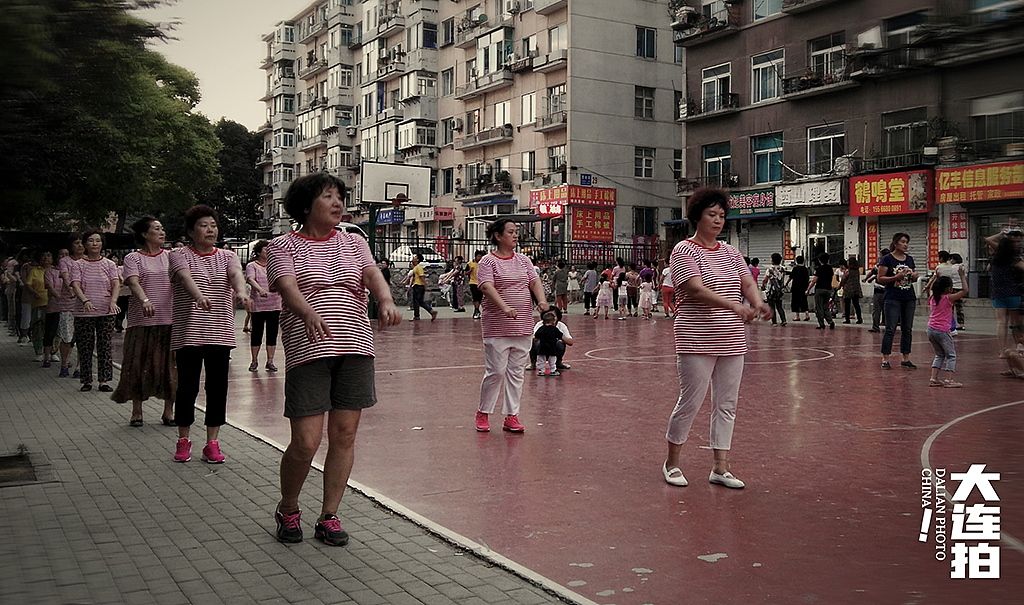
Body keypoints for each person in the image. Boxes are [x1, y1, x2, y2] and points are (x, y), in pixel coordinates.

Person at [267, 172, 401, 547]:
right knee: (306, 442)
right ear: (306, 206)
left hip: (355, 346)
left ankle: (329, 515)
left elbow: (372, 274)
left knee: (343, 435)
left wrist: (386, 299)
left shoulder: (354, 242)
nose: (338, 203)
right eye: (329, 196)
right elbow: (287, 287)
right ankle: (288, 508)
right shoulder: (283, 246)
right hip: (308, 349)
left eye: (341, 196)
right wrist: (308, 312)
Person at [662, 187, 770, 490]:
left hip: (732, 338)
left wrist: (757, 302)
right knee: (691, 401)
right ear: (697, 216)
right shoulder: (684, 250)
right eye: (712, 214)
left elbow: (747, 282)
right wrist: (734, 305)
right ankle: (672, 463)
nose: (718, 220)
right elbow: (694, 288)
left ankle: (721, 468)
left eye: (722, 215)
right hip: (696, 336)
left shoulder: (731, 251)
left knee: (727, 403)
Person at [169, 205, 253, 463]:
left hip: (220, 333)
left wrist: (240, 291)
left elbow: (236, 274)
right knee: (187, 387)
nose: (210, 230)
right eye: (204, 225)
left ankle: (212, 442)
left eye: (213, 225)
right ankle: (183, 439)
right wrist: (199, 296)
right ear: (192, 231)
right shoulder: (178, 255)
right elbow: (184, 277)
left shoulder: (227, 256)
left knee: (218, 389)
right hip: (188, 334)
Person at [474, 218, 549, 434]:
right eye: (510, 232)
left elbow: (534, 282)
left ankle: (511, 415)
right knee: (496, 371)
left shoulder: (524, 260)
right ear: (498, 236)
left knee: (516, 373)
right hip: (497, 328)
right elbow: (486, 287)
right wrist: (504, 307)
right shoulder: (488, 262)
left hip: (523, 326)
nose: (515, 236)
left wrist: (541, 301)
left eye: (516, 232)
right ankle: (483, 412)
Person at [111, 217, 176, 427]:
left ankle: (169, 412)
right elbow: (133, 281)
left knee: (170, 366)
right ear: (144, 234)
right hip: (142, 320)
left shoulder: (171, 257)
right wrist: (145, 300)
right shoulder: (133, 258)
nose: (161, 232)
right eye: (156, 229)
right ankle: (137, 411)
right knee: (139, 364)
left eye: (162, 228)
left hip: (169, 318)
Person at [70, 230, 121, 392]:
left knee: (105, 345)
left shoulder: (109, 264)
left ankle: (104, 380)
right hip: (84, 311)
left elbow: (116, 284)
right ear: (85, 244)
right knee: (85, 345)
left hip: (106, 310)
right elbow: (76, 285)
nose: (94, 244)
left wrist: (113, 301)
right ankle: (86, 379)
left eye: (98, 241)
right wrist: (84, 300)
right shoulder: (78, 265)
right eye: (91, 241)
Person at [878, 232, 920, 370]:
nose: (905, 245)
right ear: (895, 243)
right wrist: (896, 277)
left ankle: (906, 358)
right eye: (902, 242)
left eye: (907, 242)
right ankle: (885, 359)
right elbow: (880, 278)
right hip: (893, 297)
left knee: (907, 329)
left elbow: (912, 277)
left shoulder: (909, 259)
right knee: (890, 328)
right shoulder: (887, 259)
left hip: (908, 297)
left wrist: (914, 276)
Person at [246, 240, 283, 372]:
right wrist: (260, 289)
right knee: (257, 332)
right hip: (258, 305)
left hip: (275, 304)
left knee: (272, 333)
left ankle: (270, 361)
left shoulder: (275, 265)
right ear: (258, 252)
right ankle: (254, 360)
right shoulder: (252, 266)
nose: (268, 252)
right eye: (266, 250)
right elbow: (250, 279)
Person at [926, 276, 969, 388]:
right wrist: (962, 276)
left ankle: (933, 378)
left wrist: (934, 277)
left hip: (930, 329)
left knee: (939, 354)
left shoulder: (933, 297)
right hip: (943, 330)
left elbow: (930, 288)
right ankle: (948, 380)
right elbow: (965, 291)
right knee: (951, 355)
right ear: (948, 288)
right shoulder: (948, 298)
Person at [987, 234, 1024, 357]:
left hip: (998, 294)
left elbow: (988, 240)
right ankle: (1019, 346)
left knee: (1001, 322)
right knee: (1015, 323)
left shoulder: (994, 261)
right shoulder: (1013, 259)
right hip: (1013, 293)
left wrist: (1001, 234)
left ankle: (1002, 351)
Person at [57, 234, 85, 377]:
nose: (80, 245)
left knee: (83, 337)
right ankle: (64, 364)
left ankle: (80, 367)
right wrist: (71, 290)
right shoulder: (65, 261)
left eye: (82, 243)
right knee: (67, 337)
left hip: (86, 305)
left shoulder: (88, 261)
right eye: (76, 243)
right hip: (68, 304)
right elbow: (66, 276)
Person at [528, 306, 573, 371]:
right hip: (542, 349)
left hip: (553, 350)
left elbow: (570, 342)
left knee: (560, 343)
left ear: (557, 317)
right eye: (548, 316)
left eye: (553, 316)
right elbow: (534, 338)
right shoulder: (540, 325)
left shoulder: (560, 326)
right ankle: (533, 363)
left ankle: (558, 363)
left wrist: (559, 337)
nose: (551, 318)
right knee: (534, 343)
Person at [25, 249, 51, 362]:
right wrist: (34, 292)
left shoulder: (55, 271)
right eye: (43, 256)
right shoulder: (34, 271)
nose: (46, 258)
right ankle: (39, 351)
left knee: (52, 329)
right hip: (39, 303)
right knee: (38, 327)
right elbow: (28, 284)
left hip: (53, 304)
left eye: (48, 256)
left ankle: (51, 352)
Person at [42, 250, 64, 368]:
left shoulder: (71, 270)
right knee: (50, 331)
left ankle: (59, 354)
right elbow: (49, 286)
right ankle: (46, 357)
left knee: (64, 333)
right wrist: (58, 296)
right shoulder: (50, 271)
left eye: (66, 254)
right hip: (54, 306)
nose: (64, 257)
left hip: (68, 307)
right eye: (61, 254)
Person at [402, 254, 437, 321]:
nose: (413, 258)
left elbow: (422, 277)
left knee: (416, 301)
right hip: (417, 285)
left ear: (417, 260)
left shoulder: (418, 268)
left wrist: (425, 286)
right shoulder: (415, 268)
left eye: (415, 257)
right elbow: (414, 278)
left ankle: (416, 316)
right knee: (420, 301)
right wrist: (411, 286)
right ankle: (431, 311)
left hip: (418, 286)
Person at [806, 253, 835, 330]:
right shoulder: (830, 268)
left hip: (820, 289)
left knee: (819, 307)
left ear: (819, 260)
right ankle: (830, 321)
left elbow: (814, 281)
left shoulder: (819, 269)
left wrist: (808, 289)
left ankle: (821, 324)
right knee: (826, 307)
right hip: (828, 289)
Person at [863, 248, 889, 333]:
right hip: (888, 290)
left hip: (879, 290)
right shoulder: (891, 265)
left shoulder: (880, 265)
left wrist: (866, 278)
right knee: (887, 310)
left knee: (877, 310)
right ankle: (888, 327)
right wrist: (870, 278)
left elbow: (873, 272)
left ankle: (875, 327)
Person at [533, 311, 564, 376]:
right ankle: (553, 370)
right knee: (552, 361)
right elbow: (560, 336)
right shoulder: (555, 329)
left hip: (542, 347)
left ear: (543, 321)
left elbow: (536, 336)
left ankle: (541, 371)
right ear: (553, 321)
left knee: (541, 360)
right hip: (552, 348)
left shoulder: (541, 328)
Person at [761, 253, 787, 326]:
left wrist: (763, 285)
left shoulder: (770, 269)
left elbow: (765, 279)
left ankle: (774, 322)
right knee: (779, 306)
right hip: (780, 290)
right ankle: (783, 320)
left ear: (772, 260)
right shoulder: (782, 269)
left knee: (772, 307)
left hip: (771, 290)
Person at [786, 256, 810, 321]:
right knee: (804, 300)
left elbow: (790, 277)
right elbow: (807, 278)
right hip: (804, 287)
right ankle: (807, 314)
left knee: (795, 301)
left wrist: (786, 283)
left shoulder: (795, 269)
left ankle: (797, 316)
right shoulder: (805, 269)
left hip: (796, 287)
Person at [840, 257, 863, 324]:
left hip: (848, 289)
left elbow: (843, 279)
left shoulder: (849, 272)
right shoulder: (857, 271)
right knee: (856, 304)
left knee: (847, 305)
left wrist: (839, 286)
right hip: (856, 289)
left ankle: (847, 319)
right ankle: (859, 318)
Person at [468, 250, 484, 319]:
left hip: (481, 283)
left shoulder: (483, 264)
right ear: (475, 256)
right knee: (475, 297)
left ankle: (478, 310)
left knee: (480, 297)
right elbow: (465, 273)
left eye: (481, 256)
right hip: (473, 282)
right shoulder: (470, 264)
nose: (480, 258)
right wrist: (470, 271)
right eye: (479, 256)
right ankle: (476, 310)